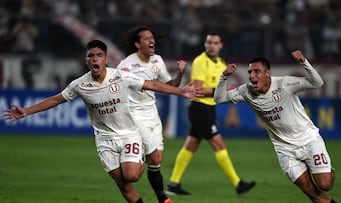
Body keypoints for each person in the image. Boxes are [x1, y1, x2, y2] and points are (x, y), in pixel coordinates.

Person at [3, 40, 199, 203]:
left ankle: (141, 155)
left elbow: (151, 84)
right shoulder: (80, 84)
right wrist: (26, 111)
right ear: (86, 60)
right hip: (104, 140)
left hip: (129, 134)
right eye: (91, 56)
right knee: (123, 184)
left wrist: (180, 91)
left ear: (105, 59)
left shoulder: (120, 76)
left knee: (131, 175)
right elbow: (56, 99)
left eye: (98, 55)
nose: (94, 58)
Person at [214, 50, 336, 203]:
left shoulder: (285, 84)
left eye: (257, 71)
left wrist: (304, 62)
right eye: (250, 72)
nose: (252, 76)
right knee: (310, 191)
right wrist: (223, 77)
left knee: (325, 185)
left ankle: (327, 169)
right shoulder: (246, 91)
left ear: (268, 73)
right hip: (284, 149)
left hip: (309, 140)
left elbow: (317, 82)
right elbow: (219, 99)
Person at [166, 32, 256, 196]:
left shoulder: (221, 62)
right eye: (209, 43)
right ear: (205, 45)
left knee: (191, 145)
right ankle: (238, 183)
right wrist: (223, 90)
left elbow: (218, 91)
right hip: (200, 108)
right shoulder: (200, 61)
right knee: (219, 144)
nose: (212, 46)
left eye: (215, 43)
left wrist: (224, 91)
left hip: (209, 108)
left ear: (220, 45)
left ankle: (173, 184)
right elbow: (198, 91)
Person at [117, 25, 186, 203]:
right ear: (137, 44)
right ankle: (162, 198)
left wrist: (179, 74)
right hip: (135, 115)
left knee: (156, 161)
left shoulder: (157, 61)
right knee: (151, 159)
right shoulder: (126, 65)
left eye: (152, 37)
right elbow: (116, 87)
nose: (152, 40)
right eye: (147, 38)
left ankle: (133, 162)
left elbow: (170, 85)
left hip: (152, 115)